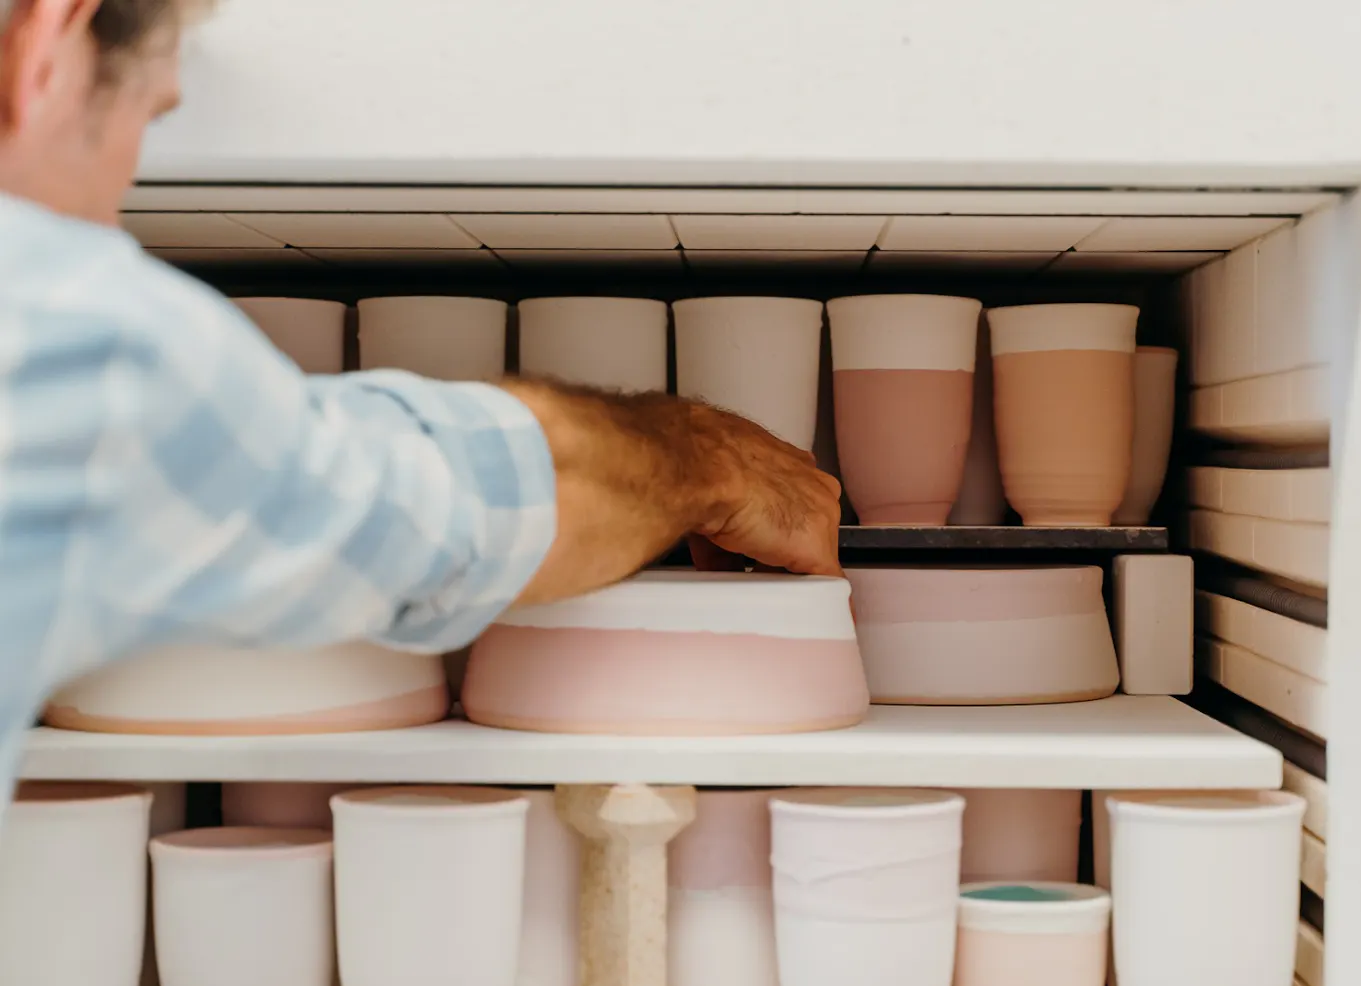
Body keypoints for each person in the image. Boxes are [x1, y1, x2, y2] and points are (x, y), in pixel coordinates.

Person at [0, 0, 843, 797]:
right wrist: (715, 459)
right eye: (147, 119)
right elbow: (443, 516)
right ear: (53, 44)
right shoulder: (68, 332)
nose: (117, 215)